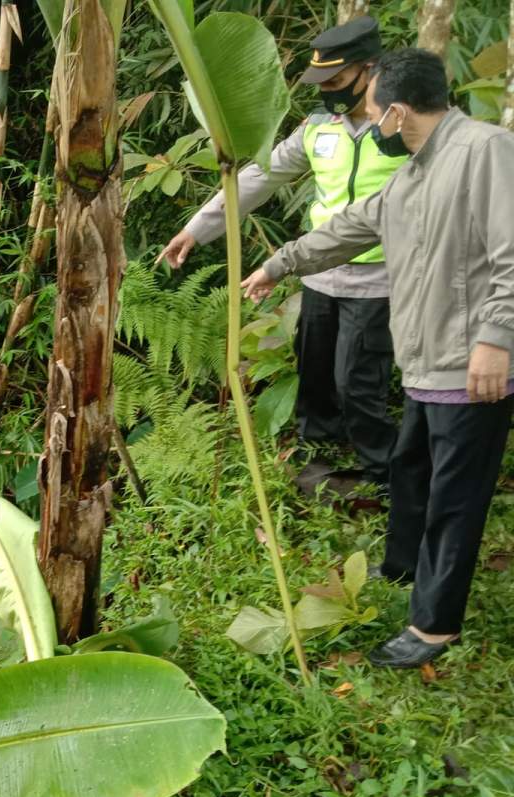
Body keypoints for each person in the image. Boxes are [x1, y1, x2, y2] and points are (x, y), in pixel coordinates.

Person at [242, 48, 514, 669]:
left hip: (471, 364)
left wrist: (497, 339)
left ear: (394, 111)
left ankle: (434, 626)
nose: (371, 125)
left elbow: (512, 253)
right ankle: (401, 573)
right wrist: (276, 264)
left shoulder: (485, 152)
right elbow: (348, 229)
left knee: (455, 497)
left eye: (372, 113)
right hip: (426, 365)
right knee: (411, 474)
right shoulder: (415, 172)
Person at [161, 16, 405, 488]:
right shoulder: (318, 128)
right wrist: (197, 229)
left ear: (369, 69)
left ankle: (383, 474)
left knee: (357, 382)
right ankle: (319, 461)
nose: (328, 90)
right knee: (314, 376)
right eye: (323, 82)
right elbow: (260, 176)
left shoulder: (401, 126)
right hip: (318, 275)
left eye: (337, 80)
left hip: (380, 279)